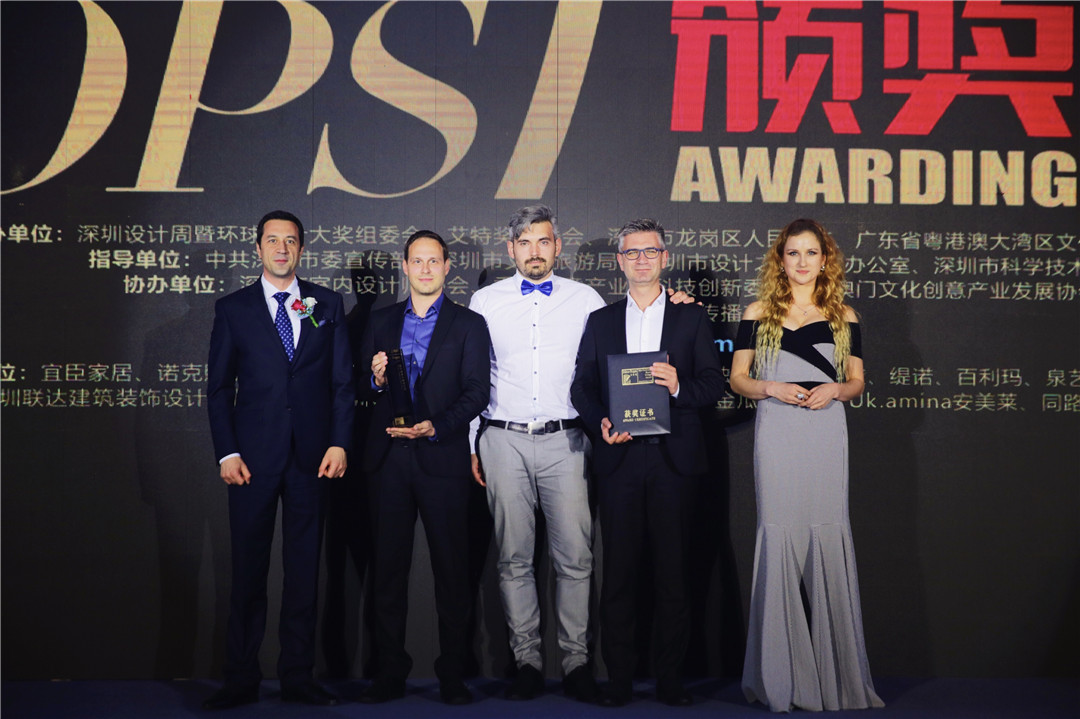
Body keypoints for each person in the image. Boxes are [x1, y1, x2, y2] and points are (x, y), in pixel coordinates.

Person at [729, 218, 884, 712]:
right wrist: (770, 387)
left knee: (827, 532)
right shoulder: (757, 312)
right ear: (780, 260)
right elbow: (737, 378)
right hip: (777, 430)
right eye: (793, 253)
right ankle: (779, 680)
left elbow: (857, 382)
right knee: (778, 536)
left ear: (825, 259)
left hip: (825, 433)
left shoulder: (843, 315)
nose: (801, 261)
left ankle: (837, 681)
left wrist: (836, 389)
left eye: (811, 252)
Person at [571, 218, 725, 707]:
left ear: (664, 258)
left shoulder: (690, 318)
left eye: (650, 251)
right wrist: (600, 421)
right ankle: (618, 680)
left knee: (673, 575)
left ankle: (670, 680)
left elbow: (713, 384)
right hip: (618, 459)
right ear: (620, 261)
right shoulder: (600, 321)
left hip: (673, 461)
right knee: (618, 575)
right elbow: (582, 387)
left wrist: (678, 386)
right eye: (632, 252)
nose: (641, 260)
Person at [205, 210, 354, 709]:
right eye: (273, 240)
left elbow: (342, 382)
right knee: (248, 572)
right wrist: (227, 451)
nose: (282, 249)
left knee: (304, 573)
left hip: (312, 459)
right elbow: (219, 388)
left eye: (290, 241)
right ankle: (240, 678)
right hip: (251, 461)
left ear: (302, 250)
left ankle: (298, 676)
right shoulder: (234, 308)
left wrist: (339, 442)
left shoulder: (326, 304)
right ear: (258, 248)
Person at [467, 205, 605, 702]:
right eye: (524, 243)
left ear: (557, 246)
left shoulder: (586, 300)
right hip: (502, 438)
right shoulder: (485, 301)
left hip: (567, 440)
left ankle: (576, 663)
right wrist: (473, 442)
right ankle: (526, 661)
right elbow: (473, 377)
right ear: (511, 249)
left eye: (543, 241)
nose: (534, 251)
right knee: (513, 559)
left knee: (576, 558)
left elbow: (606, 366)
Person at [357, 230, 491, 706]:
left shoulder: (469, 324)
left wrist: (437, 426)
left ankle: (452, 673)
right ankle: (389, 672)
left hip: (442, 456)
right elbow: (363, 385)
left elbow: (477, 392)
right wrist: (375, 379)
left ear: (448, 267)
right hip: (388, 459)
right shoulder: (381, 320)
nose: (426, 269)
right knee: (387, 572)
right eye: (418, 261)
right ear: (405, 266)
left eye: (434, 261)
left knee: (452, 572)